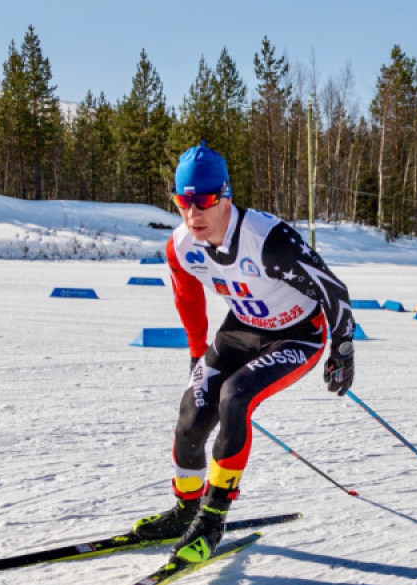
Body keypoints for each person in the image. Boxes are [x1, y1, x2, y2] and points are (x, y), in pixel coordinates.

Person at [132, 141, 357, 563]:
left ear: (225, 197)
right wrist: (197, 353)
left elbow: (333, 289)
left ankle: (211, 520)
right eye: (183, 202)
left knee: (235, 398)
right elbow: (187, 298)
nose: (193, 214)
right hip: (241, 329)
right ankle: (186, 510)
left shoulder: (267, 239)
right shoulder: (181, 246)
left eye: (204, 201)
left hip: (296, 335)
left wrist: (342, 349)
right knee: (193, 412)